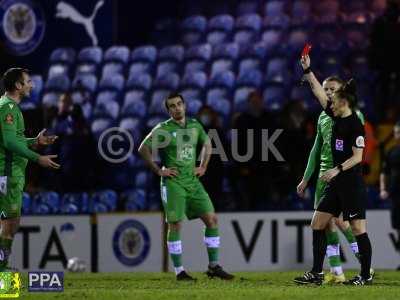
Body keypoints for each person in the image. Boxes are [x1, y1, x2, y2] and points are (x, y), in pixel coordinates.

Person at [294, 55, 373, 286]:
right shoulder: (333, 116)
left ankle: (365, 274)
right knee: (317, 223)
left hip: (350, 183)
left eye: (334, 99)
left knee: (358, 228)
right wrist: (308, 71)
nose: (330, 102)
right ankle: (317, 273)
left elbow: (357, 157)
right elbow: (319, 94)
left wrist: (337, 169)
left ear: (344, 102)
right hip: (335, 183)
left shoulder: (355, 125)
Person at [138, 93, 234, 281]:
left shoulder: (195, 125)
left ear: (185, 105)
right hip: (173, 182)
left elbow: (207, 144)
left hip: (192, 181)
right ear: (168, 110)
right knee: (175, 224)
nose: (177, 108)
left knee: (212, 219)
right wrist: (158, 170)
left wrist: (204, 166)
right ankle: (179, 271)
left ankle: (214, 266)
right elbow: (142, 148)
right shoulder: (163, 128)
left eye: (179, 104)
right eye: (172, 106)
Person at [0, 68, 60, 271]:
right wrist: (37, 158)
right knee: (9, 225)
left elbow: (12, 140)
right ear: (18, 86)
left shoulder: (9, 106)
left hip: (11, 173)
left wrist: (35, 141)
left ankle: (3, 269)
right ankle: (3, 273)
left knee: (10, 224)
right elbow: (9, 142)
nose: (32, 85)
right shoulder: (8, 108)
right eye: (28, 81)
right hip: (7, 173)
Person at [380, 120, 400, 269]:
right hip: (395, 194)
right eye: (396, 132)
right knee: (398, 226)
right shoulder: (392, 151)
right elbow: (384, 172)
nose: (397, 135)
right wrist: (382, 189)